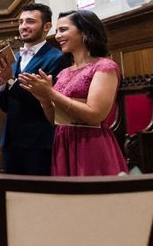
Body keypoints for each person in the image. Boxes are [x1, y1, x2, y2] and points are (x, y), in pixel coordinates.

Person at [19, 10, 128, 176]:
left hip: (91, 143)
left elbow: (95, 115)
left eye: (63, 30)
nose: (57, 36)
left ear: (85, 31)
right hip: (63, 142)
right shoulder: (64, 73)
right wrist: (44, 100)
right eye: (57, 31)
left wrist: (51, 94)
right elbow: (54, 120)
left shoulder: (104, 67)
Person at [0, 3, 66, 175]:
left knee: (37, 196)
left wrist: (10, 81)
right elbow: (7, 106)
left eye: (30, 21)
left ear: (47, 27)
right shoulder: (14, 58)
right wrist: (1, 84)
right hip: (11, 140)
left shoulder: (56, 58)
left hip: (38, 141)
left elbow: (46, 102)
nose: (23, 26)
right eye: (21, 22)